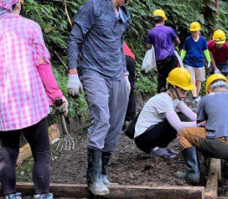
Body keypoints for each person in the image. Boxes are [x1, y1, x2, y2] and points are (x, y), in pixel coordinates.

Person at [0, 0, 68, 199]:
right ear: (16, 5)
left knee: (8, 153)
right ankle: (42, 194)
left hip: (4, 106)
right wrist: (56, 96)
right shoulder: (30, 26)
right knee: (41, 152)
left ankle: (10, 194)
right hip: (31, 102)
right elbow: (42, 65)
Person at [67, 0, 131, 195]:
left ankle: (102, 172)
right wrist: (72, 73)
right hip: (94, 72)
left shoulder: (124, 13)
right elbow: (74, 40)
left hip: (117, 74)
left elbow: (120, 45)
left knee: (115, 124)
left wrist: (125, 73)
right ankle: (92, 178)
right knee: (101, 118)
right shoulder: (92, 7)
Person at [177, 74, 228, 185]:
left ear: (209, 90)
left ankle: (193, 173)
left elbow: (201, 124)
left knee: (184, 133)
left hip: (217, 145)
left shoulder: (206, 98)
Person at [134, 68, 197, 159]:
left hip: (151, 133)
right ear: (172, 87)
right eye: (182, 90)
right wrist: (200, 124)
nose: (185, 93)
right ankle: (155, 148)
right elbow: (178, 126)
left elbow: (192, 116)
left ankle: (161, 146)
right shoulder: (164, 99)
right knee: (179, 120)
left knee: (182, 117)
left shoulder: (176, 99)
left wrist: (207, 121)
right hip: (143, 138)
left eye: (186, 91)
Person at [146, 9, 180, 93]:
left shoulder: (151, 32)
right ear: (163, 19)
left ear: (154, 20)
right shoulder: (169, 29)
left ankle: (161, 98)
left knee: (161, 80)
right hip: (171, 57)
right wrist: (173, 46)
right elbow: (178, 42)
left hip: (160, 60)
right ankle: (172, 97)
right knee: (172, 79)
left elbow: (148, 47)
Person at [181, 22, 211, 100]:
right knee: (192, 80)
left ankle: (196, 96)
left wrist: (209, 60)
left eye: (196, 31)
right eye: (193, 31)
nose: (194, 33)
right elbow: (184, 50)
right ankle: (194, 96)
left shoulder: (203, 40)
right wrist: (181, 59)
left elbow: (206, 51)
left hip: (200, 63)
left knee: (199, 81)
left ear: (199, 31)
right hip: (189, 63)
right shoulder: (188, 40)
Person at [124, 42, 136, 124]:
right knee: (130, 89)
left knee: (118, 90)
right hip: (131, 59)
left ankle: (122, 119)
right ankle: (131, 117)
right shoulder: (117, 36)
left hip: (118, 59)